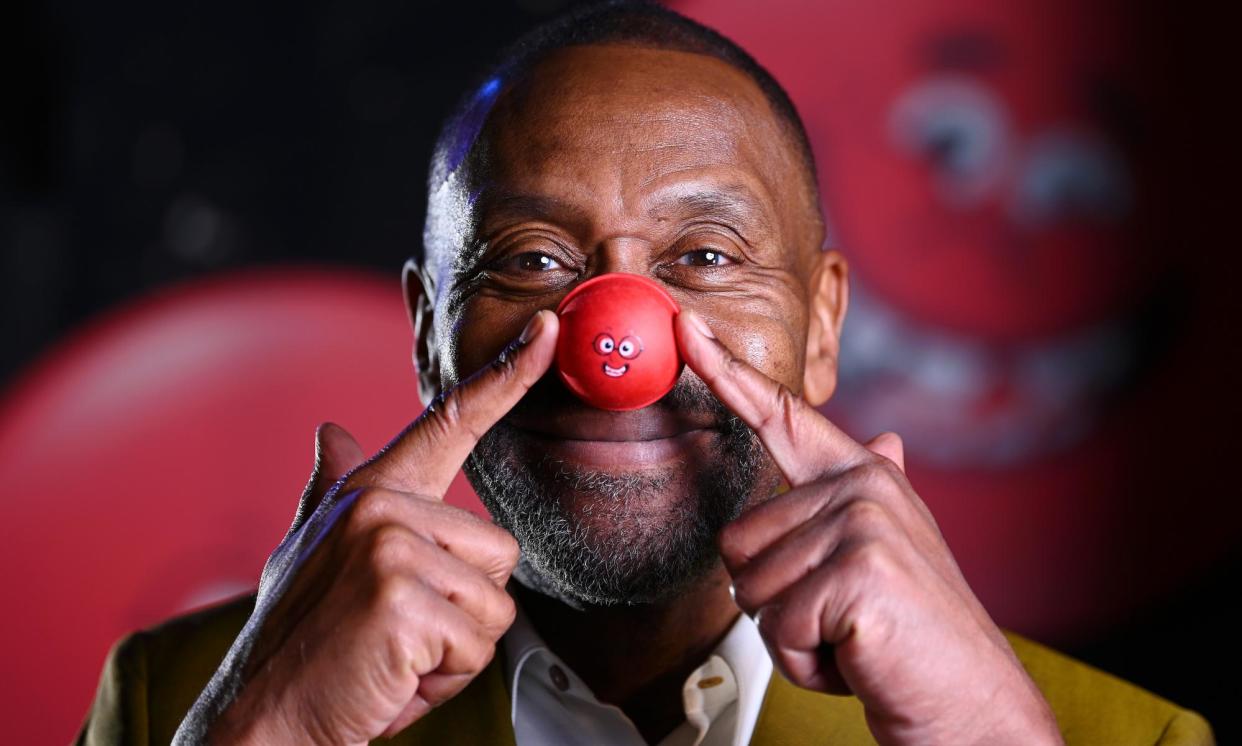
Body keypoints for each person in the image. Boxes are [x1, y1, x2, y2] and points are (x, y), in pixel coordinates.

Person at [77, 2, 1213, 744]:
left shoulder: (1109, 736)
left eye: (705, 258)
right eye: (533, 260)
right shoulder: (174, 703)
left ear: (823, 328)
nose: (617, 343)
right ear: (429, 330)